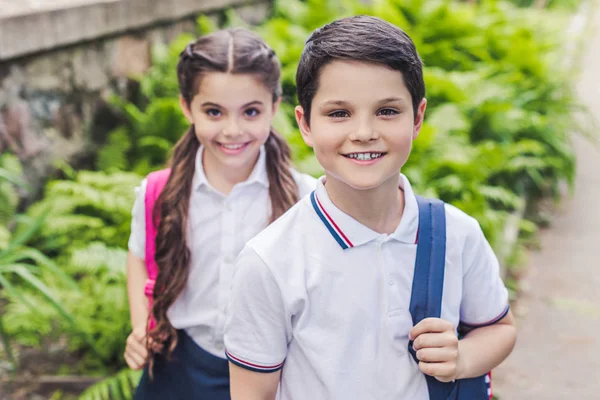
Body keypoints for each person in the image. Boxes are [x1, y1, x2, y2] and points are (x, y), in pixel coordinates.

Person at [224, 15, 517, 400]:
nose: (363, 132)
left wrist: (461, 357)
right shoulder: (270, 261)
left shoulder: (457, 232)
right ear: (305, 124)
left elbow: (499, 328)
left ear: (418, 117)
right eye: (339, 113)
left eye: (387, 111)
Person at [124, 28, 316, 399]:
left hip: (273, 374)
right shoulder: (157, 193)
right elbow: (138, 256)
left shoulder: (305, 198)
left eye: (251, 111)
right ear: (186, 107)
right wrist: (141, 324)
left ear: (275, 107)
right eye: (214, 112)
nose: (232, 130)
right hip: (177, 368)